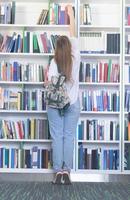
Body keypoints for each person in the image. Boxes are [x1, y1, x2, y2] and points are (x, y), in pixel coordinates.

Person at [47, 5, 80, 185]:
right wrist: (71, 15)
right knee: (68, 137)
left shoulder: (53, 62)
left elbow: (49, 83)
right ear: (69, 48)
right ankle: (67, 172)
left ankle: (58, 172)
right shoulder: (76, 58)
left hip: (54, 105)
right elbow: (73, 34)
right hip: (73, 104)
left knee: (57, 137)